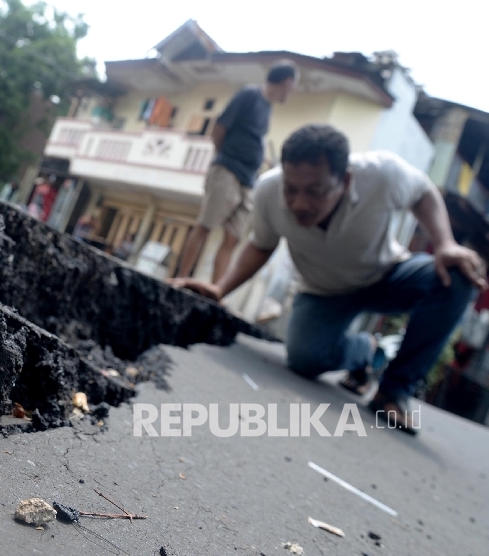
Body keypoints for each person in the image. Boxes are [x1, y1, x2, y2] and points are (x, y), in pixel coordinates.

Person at [169, 124, 486, 435]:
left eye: (315, 192)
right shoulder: (269, 190)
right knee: (305, 359)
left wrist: (444, 243)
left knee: (459, 275)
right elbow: (260, 245)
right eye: (291, 190)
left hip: (387, 276)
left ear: (345, 180)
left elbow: (424, 192)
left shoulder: (381, 173)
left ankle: (393, 392)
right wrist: (220, 288)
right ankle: (364, 350)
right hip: (324, 291)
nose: (299, 204)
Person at [175, 60, 299, 282]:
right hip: (228, 170)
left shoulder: (268, 108)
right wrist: (225, 158)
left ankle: (216, 290)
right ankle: (182, 276)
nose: (292, 92)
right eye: (293, 86)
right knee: (206, 225)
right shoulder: (250, 94)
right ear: (287, 82)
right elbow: (219, 128)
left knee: (232, 238)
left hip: (248, 180)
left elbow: (252, 138)